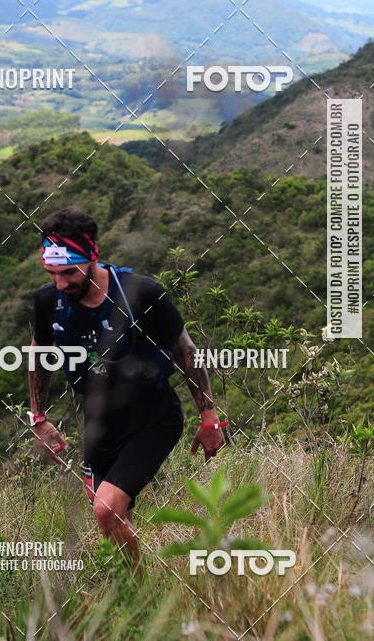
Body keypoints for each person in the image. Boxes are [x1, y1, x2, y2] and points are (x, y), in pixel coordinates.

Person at [28, 207, 226, 574]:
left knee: (105, 510)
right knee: (114, 519)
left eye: (69, 272)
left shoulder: (141, 294)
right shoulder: (47, 302)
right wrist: (38, 416)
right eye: (51, 273)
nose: (60, 284)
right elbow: (39, 354)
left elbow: (186, 351)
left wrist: (209, 417)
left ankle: (139, 587)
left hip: (152, 417)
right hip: (99, 422)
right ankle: (129, 593)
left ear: (93, 256)